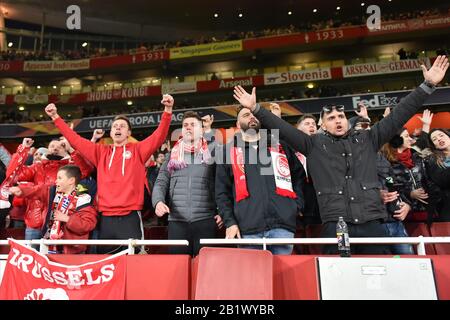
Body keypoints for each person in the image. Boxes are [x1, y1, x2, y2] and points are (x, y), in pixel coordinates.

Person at [232, 55, 448, 255]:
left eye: (341, 116)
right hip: (335, 225)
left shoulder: (369, 138)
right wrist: (257, 109)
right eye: (331, 118)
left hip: (372, 223)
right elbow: (283, 128)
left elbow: (400, 114)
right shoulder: (312, 143)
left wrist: (426, 86)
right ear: (322, 125)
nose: (338, 120)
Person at [44, 95, 173, 253]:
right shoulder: (101, 152)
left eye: (122, 126)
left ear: (129, 133)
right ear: (111, 133)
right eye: (115, 126)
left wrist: (167, 110)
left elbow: (159, 136)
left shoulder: (138, 150)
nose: (118, 128)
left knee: (134, 260)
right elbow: (75, 140)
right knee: (108, 262)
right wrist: (55, 117)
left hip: (130, 216)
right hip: (105, 218)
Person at [215, 106, 305, 255]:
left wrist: (296, 205)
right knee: (253, 278)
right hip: (248, 229)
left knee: (283, 277)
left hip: (282, 227)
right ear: (238, 124)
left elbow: (298, 176)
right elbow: (222, 192)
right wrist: (230, 222)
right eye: (245, 115)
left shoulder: (279, 146)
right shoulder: (227, 152)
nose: (251, 117)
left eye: (254, 114)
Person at [152, 111, 222, 256]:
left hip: (206, 220)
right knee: (179, 270)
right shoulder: (172, 154)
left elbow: (223, 184)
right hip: (177, 221)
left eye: (193, 124)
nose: (188, 127)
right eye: (185, 125)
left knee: (204, 271)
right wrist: (158, 202)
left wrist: (223, 212)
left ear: (201, 129)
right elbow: (161, 181)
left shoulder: (213, 153)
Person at [10, 165, 97, 254]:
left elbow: (88, 224)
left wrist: (67, 219)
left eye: (59, 178)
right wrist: (21, 190)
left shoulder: (83, 199)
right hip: (49, 245)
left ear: (71, 180)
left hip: (72, 251)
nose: (56, 181)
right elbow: (36, 190)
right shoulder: (52, 192)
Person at [295, 114, 321, 225]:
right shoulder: (290, 147)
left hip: (320, 207)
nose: (312, 126)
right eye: (307, 124)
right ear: (298, 129)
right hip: (298, 207)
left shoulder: (322, 148)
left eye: (314, 124)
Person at [425, 129, 450, 221]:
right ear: (434, 145)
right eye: (434, 139)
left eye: (441, 135)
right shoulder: (432, 160)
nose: (439, 139)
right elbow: (443, 180)